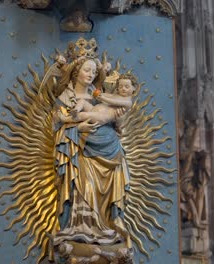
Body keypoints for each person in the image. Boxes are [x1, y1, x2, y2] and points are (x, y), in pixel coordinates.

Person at [53, 56, 132, 248]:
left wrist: (118, 119)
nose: (91, 75)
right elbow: (56, 129)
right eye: (87, 70)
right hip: (83, 154)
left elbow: (118, 126)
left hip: (110, 149)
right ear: (76, 71)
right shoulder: (64, 98)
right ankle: (82, 229)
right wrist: (78, 130)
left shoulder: (101, 97)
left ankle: (109, 225)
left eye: (94, 72)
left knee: (110, 190)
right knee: (86, 188)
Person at [60, 73, 136, 126]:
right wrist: (99, 94)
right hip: (94, 109)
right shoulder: (116, 95)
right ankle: (75, 110)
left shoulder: (127, 102)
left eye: (127, 86)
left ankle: (65, 119)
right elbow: (109, 95)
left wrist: (102, 98)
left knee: (84, 115)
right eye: (120, 86)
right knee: (82, 101)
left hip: (102, 117)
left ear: (134, 88)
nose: (123, 89)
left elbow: (114, 102)